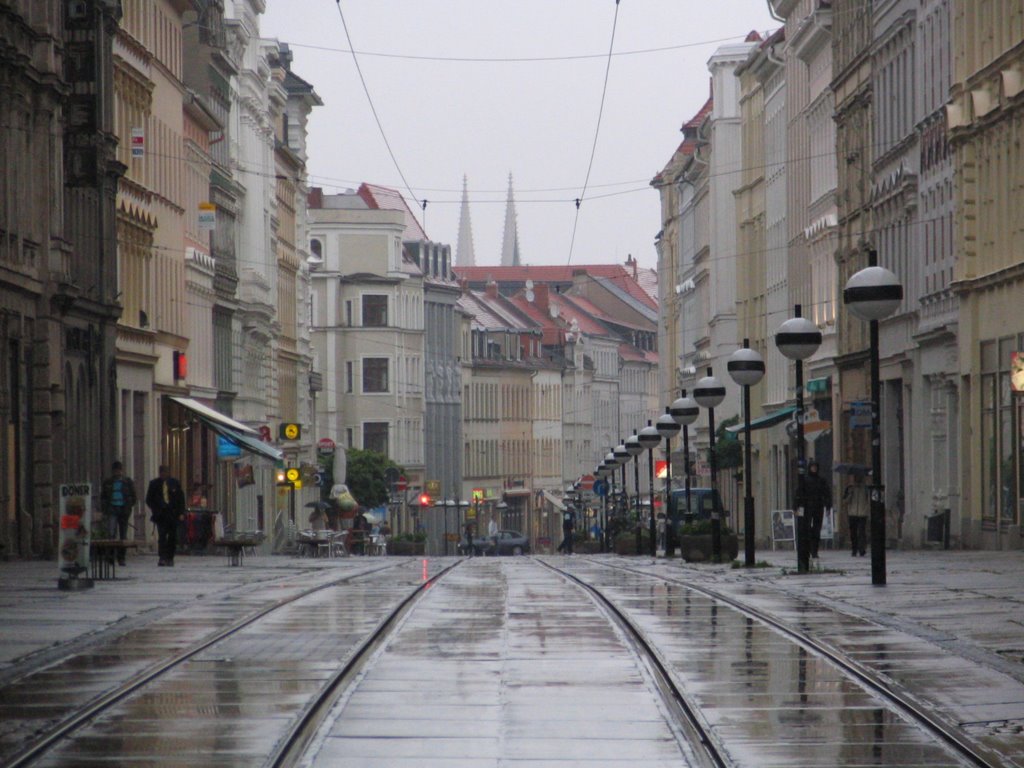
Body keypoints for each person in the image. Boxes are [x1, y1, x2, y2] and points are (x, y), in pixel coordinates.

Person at [145, 465, 186, 567]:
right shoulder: (154, 484)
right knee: (162, 536)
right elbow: (149, 499)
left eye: (166, 472)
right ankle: (162, 557)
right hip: (161, 515)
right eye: (162, 472)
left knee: (172, 537)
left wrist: (181, 513)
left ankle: (170, 557)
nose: (164, 474)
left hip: (173, 514)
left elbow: (181, 499)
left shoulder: (175, 483)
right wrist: (155, 509)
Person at [100, 461, 137, 565]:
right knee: (111, 534)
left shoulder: (127, 482)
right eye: (115, 470)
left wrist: (128, 506)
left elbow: (134, 496)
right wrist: (105, 508)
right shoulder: (108, 482)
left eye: (119, 470)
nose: (117, 472)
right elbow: (103, 496)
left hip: (123, 511)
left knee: (123, 535)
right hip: (112, 509)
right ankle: (110, 556)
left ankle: (121, 558)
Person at [798, 459, 832, 562]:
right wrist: (797, 506)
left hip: (818, 507)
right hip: (808, 507)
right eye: (812, 467)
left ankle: (814, 551)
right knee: (807, 529)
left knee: (816, 530)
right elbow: (799, 493)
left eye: (815, 467)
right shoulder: (805, 480)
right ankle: (807, 550)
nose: (814, 469)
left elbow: (827, 493)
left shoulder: (821, 480)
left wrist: (828, 505)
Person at [843, 473, 869, 557]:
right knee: (853, 532)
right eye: (856, 477)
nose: (858, 479)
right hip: (852, 513)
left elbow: (868, 499)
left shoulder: (865, 488)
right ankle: (854, 549)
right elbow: (845, 501)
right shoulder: (849, 488)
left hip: (862, 513)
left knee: (861, 532)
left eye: (859, 477)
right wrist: (850, 494)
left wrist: (867, 509)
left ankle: (862, 549)